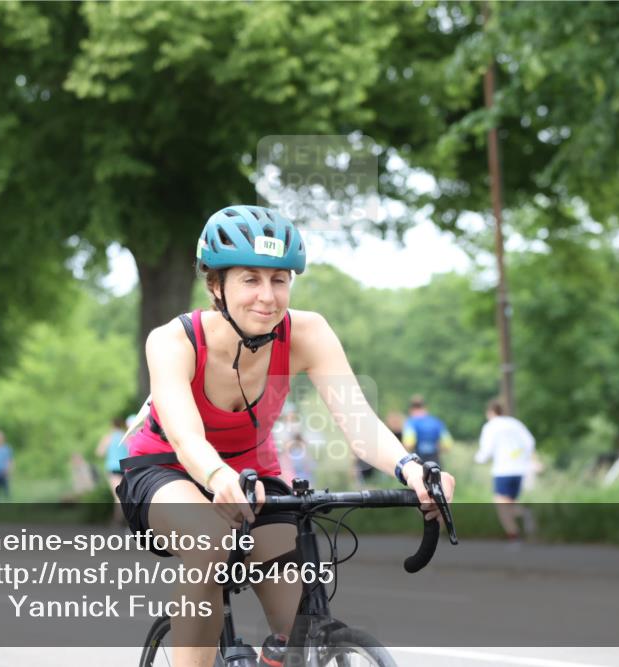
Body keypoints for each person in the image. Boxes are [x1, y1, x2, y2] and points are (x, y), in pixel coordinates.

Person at [116, 205, 455, 667]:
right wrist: (217, 476)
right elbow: (187, 438)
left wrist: (411, 468)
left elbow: (359, 421)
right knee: (208, 541)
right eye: (250, 279)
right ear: (215, 284)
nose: (268, 296)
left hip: (253, 472)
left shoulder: (307, 331)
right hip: (166, 467)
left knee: (295, 627)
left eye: (280, 280)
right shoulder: (173, 341)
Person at [474, 398, 536, 541]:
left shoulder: (491, 426)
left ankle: (513, 536)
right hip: (519, 469)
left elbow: (486, 451)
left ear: (490, 412)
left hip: (503, 470)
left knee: (501, 505)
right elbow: (530, 442)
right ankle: (524, 514)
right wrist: (523, 459)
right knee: (510, 502)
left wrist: (478, 459)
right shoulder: (516, 424)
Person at [401, 395, 453, 468]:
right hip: (435, 460)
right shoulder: (437, 422)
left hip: (418, 460)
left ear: (411, 408)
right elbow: (448, 445)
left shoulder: (411, 422)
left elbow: (409, 444)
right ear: (425, 407)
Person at [96, 416, 131, 522]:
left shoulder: (108, 438)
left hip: (113, 468)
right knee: (126, 495)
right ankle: (127, 521)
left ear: (112, 425)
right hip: (126, 467)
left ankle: (117, 522)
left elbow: (99, 452)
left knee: (118, 497)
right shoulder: (126, 436)